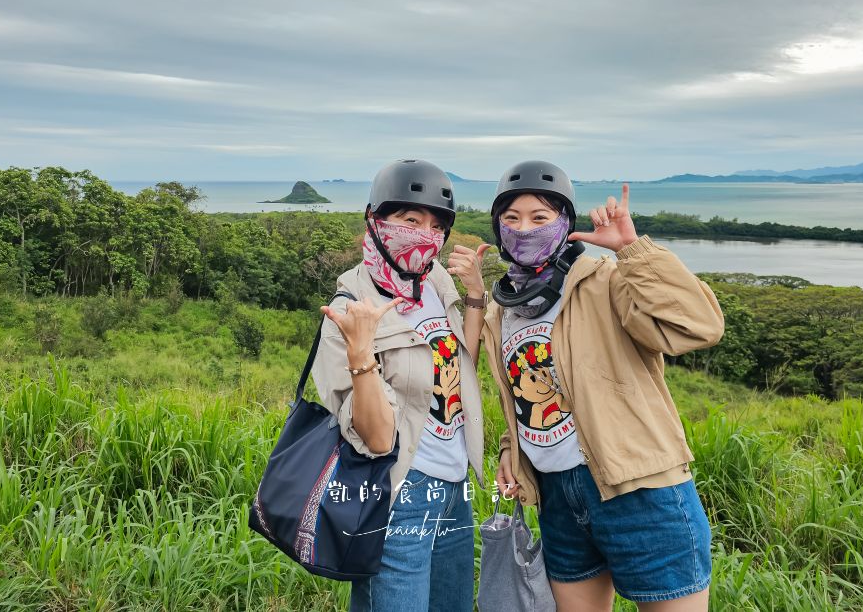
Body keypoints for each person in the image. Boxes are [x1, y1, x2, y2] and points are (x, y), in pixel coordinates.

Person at [476, 160, 725, 612]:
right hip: (556, 499)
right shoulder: (503, 310)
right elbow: (519, 397)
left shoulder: (605, 282)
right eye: (510, 219)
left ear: (566, 224)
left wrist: (631, 250)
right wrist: (510, 449)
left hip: (638, 489)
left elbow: (697, 327)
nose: (523, 229)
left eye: (539, 217)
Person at [311, 159, 489, 612]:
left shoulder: (433, 281)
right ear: (376, 221)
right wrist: (360, 355)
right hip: (401, 494)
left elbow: (458, 369)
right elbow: (374, 437)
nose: (424, 235)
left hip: (454, 488)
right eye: (410, 220)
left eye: (435, 225)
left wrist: (474, 295)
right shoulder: (350, 309)